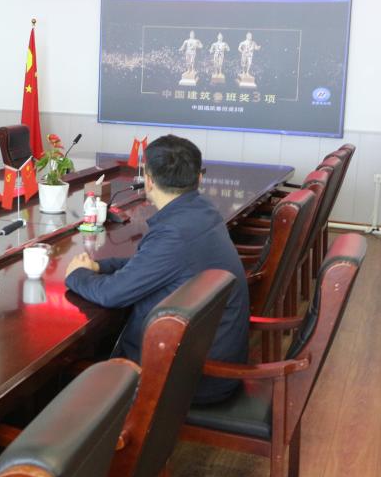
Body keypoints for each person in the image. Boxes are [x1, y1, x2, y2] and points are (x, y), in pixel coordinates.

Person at [63, 135, 250, 403]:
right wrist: (99, 266)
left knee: (68, 374)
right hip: (207, 357)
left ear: (148, 180)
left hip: (190, 377)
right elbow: (152, 266)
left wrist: (77, 274)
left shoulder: (174, 233)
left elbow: (112, 294)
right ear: (199, 178)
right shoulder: (201, 211)